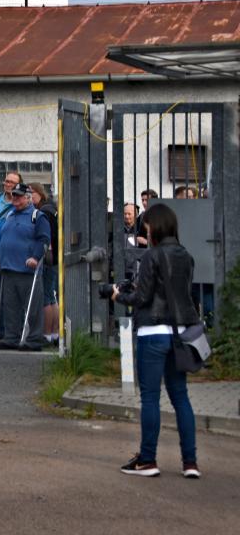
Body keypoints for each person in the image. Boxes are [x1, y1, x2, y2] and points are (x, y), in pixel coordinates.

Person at [113, 203, 200, 478]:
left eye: (147, 226)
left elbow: (142, 298)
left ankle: (147, 459)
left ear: (156, 227)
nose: (144, 230)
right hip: (180, 334)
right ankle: (190, 462)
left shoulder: (151, 256)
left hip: (152, 332)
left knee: (150, 398)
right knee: (181, 398)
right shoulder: (186, 256)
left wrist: (118, 296)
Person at [0, 184, 51, 351]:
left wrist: (35, 257)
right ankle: (12, 337)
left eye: (19, 196)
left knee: (32, 307)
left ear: (28, 197)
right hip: (8, 268)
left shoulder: (37, 216)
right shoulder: (10, 215)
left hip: (28, 270)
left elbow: (44, 240)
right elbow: (6, 238)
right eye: (14, 196)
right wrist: (2, 260)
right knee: (10, 306)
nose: (16, 199)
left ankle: (34, 339)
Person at [32, 184, 59, 344]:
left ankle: (47, 333)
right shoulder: (52, 208)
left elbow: (46, 237)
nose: (29, 197)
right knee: (52, 297)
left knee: (47, 297)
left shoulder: (44, 212)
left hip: (48, 259)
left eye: (32, 193)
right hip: (54, 258)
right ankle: (54, 333)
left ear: (40, 194)